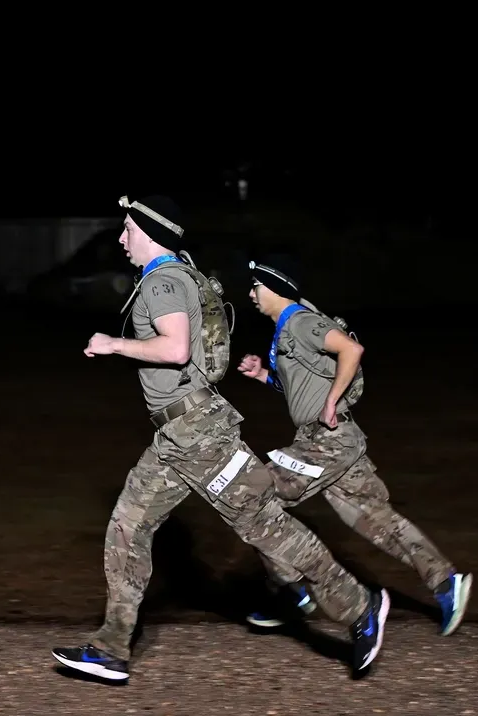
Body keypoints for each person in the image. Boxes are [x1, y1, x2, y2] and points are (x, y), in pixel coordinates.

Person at [51, 195, 389, 682]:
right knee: (127, 526)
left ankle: (359, 607)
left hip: (200, 436)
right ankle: (111, 647)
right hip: (177, 436)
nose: (121, 238)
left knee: (264, 525)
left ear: (149, 231)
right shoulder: (178, 274)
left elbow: (176, 347)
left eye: (127, 229)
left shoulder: (164, 281)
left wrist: (113, 344)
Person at [237, 254, 472, 635]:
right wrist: (264, 375)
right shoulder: (285, 330)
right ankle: (446, 582)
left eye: (256, 286)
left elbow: (351, 349)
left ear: (275, 287)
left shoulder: (300, 322)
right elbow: (301, 390)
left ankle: (291, 591)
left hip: (326, 441)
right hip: (336, 442)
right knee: (376, 520)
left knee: (248, 494)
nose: (251, 293)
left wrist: (331, 402)